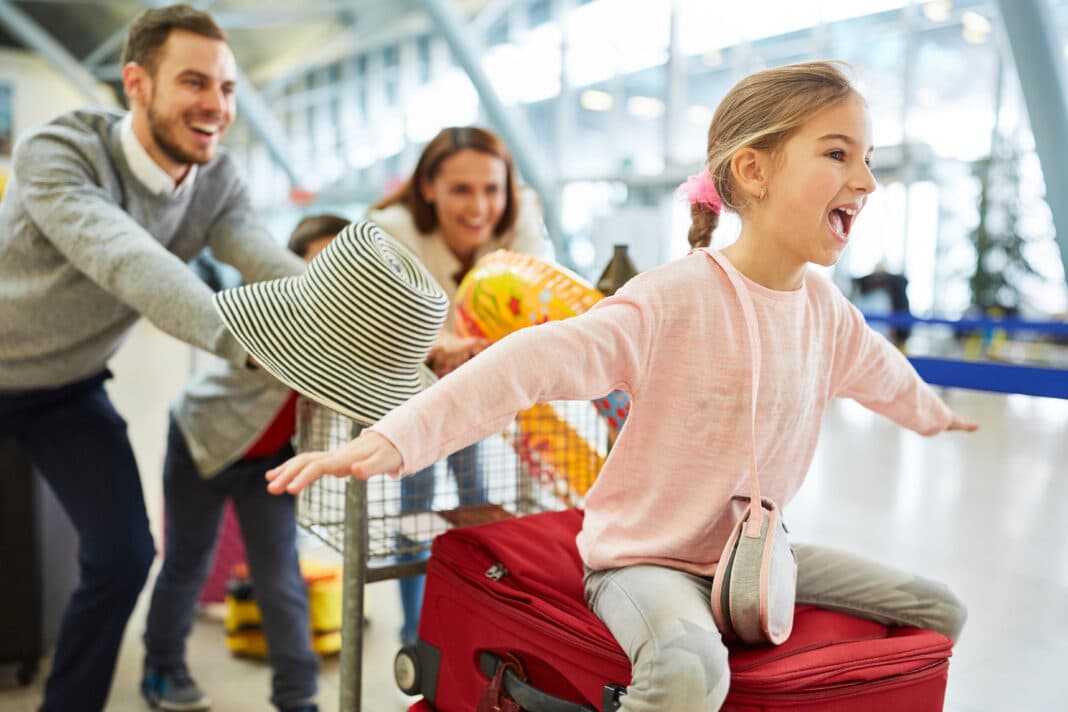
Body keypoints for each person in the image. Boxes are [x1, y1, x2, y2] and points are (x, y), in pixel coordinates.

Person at [265, 61, 979, 711]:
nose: (867, 181)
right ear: (754, 171)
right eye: (837, 154)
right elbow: (524, 364)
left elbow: (883, 373)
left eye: (868, 159)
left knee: (934, 610)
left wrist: (933, 415)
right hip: (644, 560)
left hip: (751, 557)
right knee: (690, 668)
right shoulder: (671, 300)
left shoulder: (829, 314)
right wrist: (389, 441)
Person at [0, 6, 305, 711]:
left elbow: (269, 262)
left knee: (125, 557)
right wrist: (258, 343)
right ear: (136, 82)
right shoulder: (61, 152)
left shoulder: (216, 181)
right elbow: (128, 260)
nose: (216, 107)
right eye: (194, 82)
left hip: (65, 391)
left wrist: (349, 320)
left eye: (227, 89)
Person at [139, 215, 347, 712]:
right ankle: (163, 668)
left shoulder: (346, 328)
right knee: (189, 562)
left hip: (270, 459)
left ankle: (297, 696)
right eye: (317, 265)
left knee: (278, 574)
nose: (330, 279)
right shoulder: (273, 313)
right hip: (203, 439)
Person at [366, 126, 550, 645]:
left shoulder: (519, 219)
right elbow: (386, 320)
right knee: (417, 504)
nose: (479, 206)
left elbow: (541, 293)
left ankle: (471, 623)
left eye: (492, 189)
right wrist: (442, 346)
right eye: (461, 189)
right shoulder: (391, 230)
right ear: (428, 187)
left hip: (480, 391)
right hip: (414, 391)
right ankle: (415, 633)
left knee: (479, 502)